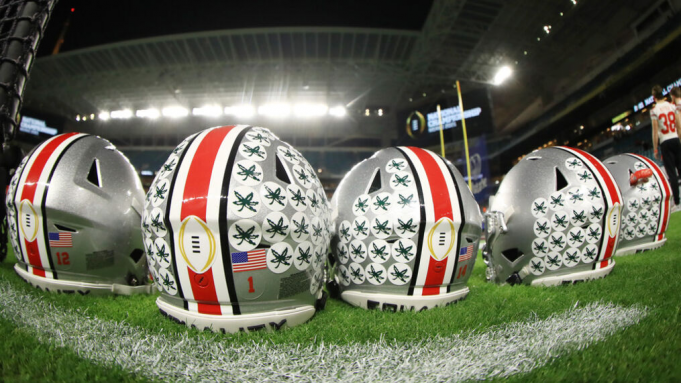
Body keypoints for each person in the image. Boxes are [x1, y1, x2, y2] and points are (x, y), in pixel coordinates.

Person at [650, 85, 681, 212]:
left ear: (654, 97)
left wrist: (655, 148)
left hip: (665, 142)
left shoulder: (654, 110)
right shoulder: (672, 106)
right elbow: (679, 125)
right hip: (675, 138)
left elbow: (655, 130)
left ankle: (677, 202)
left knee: (672, 173)